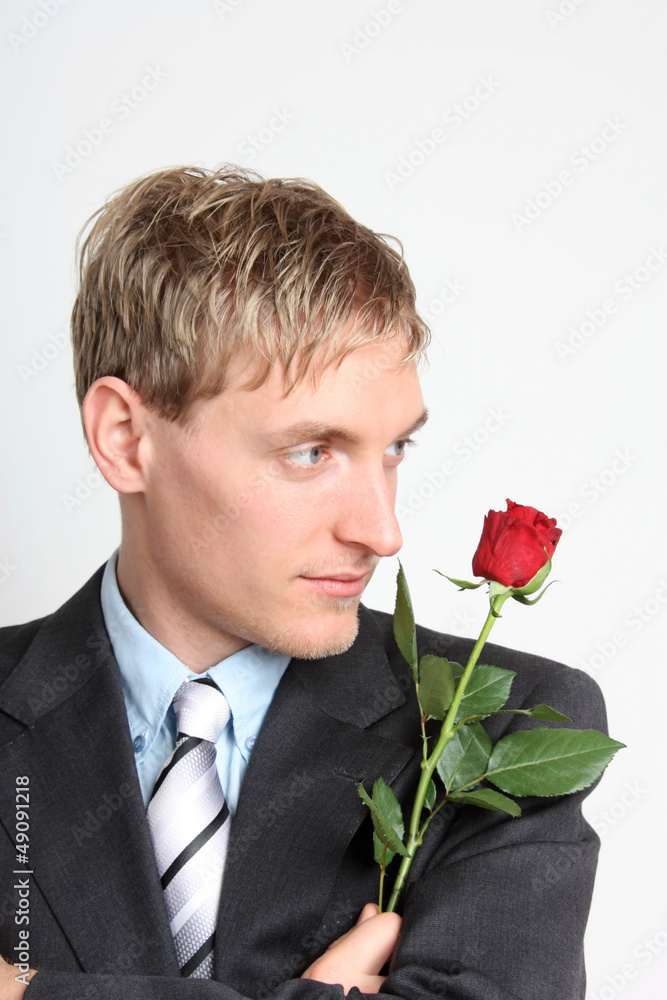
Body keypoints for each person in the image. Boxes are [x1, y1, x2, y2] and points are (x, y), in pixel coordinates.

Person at [0, 166, 606, 999]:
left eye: (393, 449)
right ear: (125, 439)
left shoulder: (508, 726)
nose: (382, 532)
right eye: (310, 452)